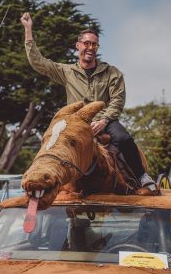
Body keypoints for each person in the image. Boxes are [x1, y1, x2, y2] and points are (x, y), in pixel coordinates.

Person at [20, 12, 158, 194]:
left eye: (94, 44)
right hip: (76, 124)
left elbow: (118, 99)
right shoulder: (66, 71)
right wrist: (28, 29)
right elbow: (38, 62)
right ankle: (46, 180)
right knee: (54, 143)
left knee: (124, 139)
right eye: (86, 43)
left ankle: (141, 176)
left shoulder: (111, 72)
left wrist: (105, 121)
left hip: (105, 121)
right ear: (78, 46)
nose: (90, 47)